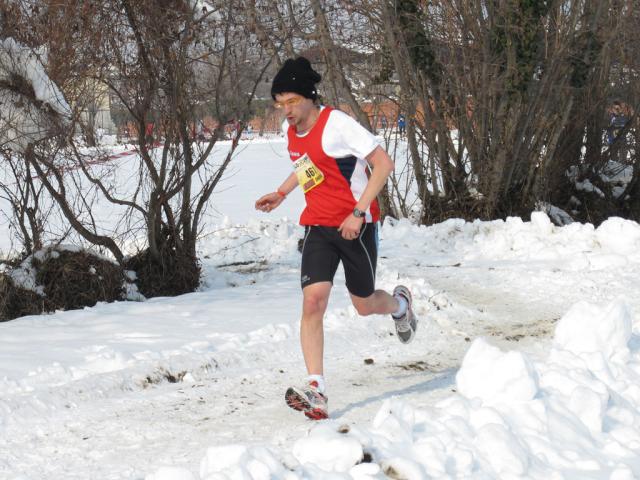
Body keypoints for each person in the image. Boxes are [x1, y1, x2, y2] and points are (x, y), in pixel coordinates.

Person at [255, 57, 418, 420]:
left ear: (310, 97)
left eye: (292, 102)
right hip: (318, 225)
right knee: (312, 303)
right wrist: (281, 193)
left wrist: (358, 213)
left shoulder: (338, 124)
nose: (287, 111)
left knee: (363, 304)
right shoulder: (293, 132)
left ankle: (401, 307)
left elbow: (384, 164)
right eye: (281, 104)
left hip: (356, 226)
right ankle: (317, 390)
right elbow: (308, 165)